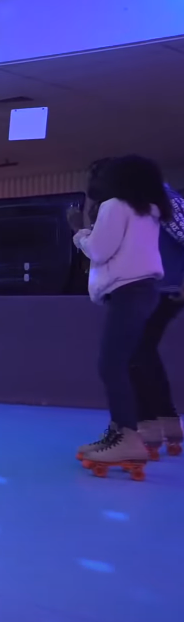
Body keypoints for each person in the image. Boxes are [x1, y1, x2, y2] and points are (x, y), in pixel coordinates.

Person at [71, 155, 172, 472]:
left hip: (127, 291)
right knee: (125, 362)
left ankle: (126, 436)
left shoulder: (114, 205)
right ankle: (119, 432)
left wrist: (79, 233)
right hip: (143, 291)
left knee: (112, 364)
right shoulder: (148, 209)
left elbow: (99, 250)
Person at [131, 178, 184, 459]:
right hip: (157, 287)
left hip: (166, 288)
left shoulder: (162, 198)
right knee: (140, 352)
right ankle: (161, 424)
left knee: (135, 352)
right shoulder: (146, 201)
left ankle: (151, 425)